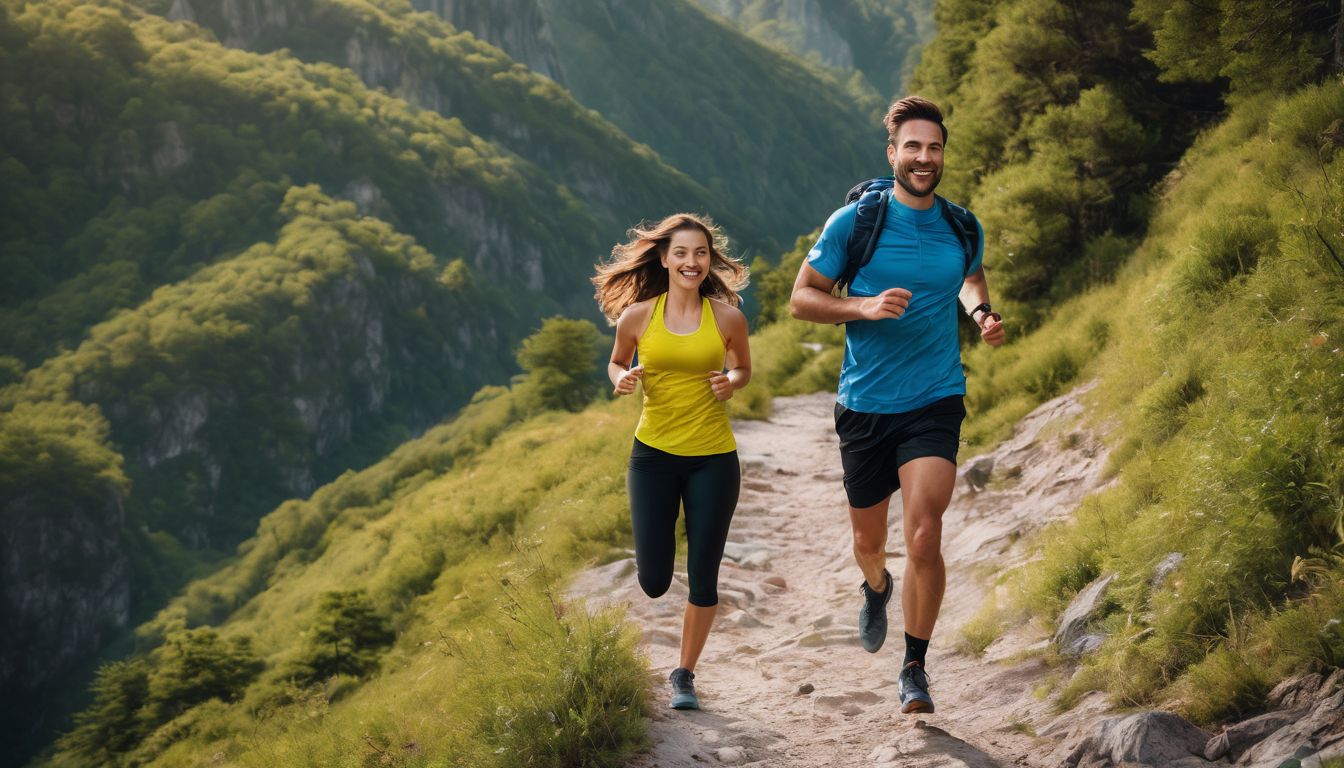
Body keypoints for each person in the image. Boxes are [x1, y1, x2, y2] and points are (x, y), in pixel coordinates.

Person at [788, 96, 1006, 714]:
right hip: (865, 401)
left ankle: (914, 666)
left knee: (925, 531)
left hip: (936, 395)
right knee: (869, 541)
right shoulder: (853, 223)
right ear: (892, 154)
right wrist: (861, 305)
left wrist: (982, 313)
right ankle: (876, 586)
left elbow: (970, 275)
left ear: (942, 156)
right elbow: (803, 299)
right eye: (912, 146)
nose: (923, 157)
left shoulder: (961, 225)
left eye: (933, 147)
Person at [592, 212, 751, 711]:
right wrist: (620, 376)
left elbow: (743, 366)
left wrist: (733, 381)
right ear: (664, 259)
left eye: (700, 253)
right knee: (654, 580)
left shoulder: (727, 318)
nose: (691, 261)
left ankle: (684, 674)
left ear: (709, 261)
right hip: (653, 456)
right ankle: (661, 590)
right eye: (681, 253)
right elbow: (617, 359)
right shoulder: (638, 316)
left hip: (714, 460)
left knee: (704, 576)